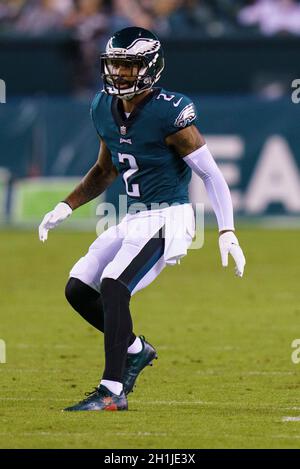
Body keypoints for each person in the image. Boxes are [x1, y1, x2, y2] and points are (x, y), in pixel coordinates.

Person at [38, 26, 246, 412]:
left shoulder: (169, 112)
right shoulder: (102, 106)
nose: (118, 73)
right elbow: (104, 170)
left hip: (170, 216)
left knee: (115, 284)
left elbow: (211, 175)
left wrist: (227, 231)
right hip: (134, 216)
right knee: (79, 289)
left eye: (128, 66)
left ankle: (112, 390)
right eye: (114, 64)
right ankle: (135, 350)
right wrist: (66, 205)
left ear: (150, 67)